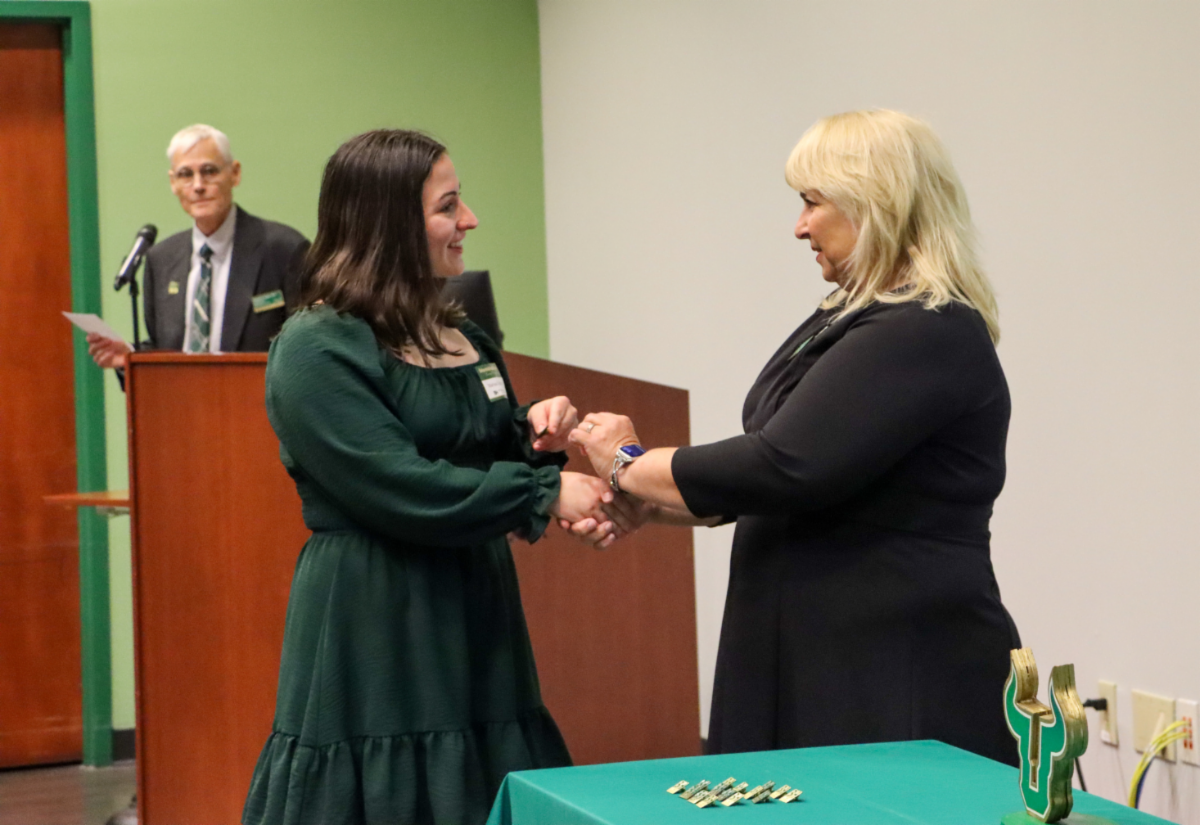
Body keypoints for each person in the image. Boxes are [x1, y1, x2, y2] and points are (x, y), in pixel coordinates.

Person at [570, 110, 1022, 765]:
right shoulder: (848, 318)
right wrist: (653, 503)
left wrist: (627, 464)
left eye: (812, 202)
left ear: (878, 203)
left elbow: (784, 465)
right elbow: (794, 470)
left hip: (893, 667)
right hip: (817, 652)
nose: (800, 226)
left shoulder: (926, 327)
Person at [242, 130, 627, 825]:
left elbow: (478, 447)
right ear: (390, 225)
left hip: (475, 610)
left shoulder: (467, 338)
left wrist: (532, 434)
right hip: (378, 618)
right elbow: (397, 483)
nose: (470, 219)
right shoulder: (316, 344)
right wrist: (544, 493)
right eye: (449, 206)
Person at [87, 124, 308, 372]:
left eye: (209, 171)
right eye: (185, 175)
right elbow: (164, 349)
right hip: (183, 407)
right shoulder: (161, 259)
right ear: (173, 183)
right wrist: (130, 358)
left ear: (234, 174)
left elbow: (307, 347)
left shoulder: (283, 249)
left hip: (255, 405)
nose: (198, 185)